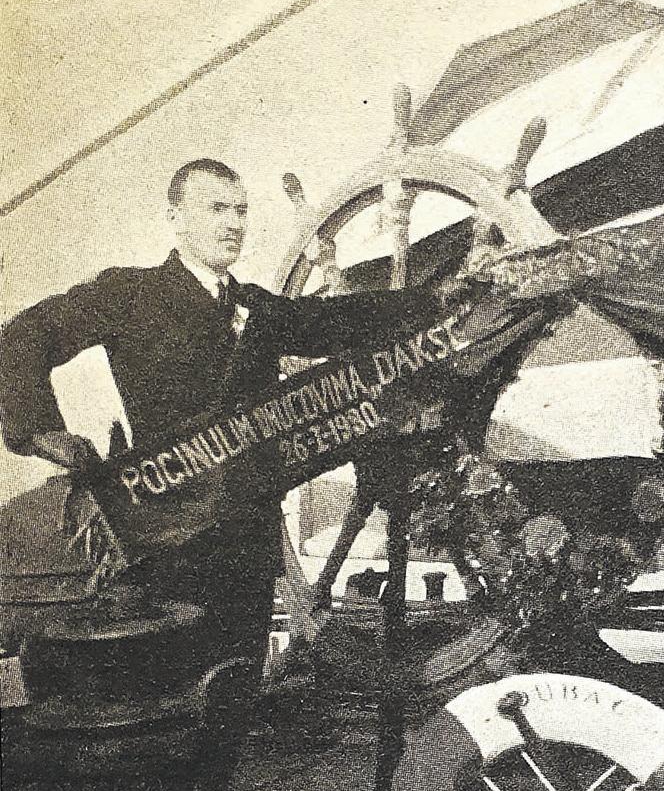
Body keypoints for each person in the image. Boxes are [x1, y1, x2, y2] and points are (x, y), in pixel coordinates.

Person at [0, 158, 435, 674]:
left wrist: (438, 300)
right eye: (217, 209)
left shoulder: (256, 308)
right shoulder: (128, 294)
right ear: (176, 217)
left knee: (237, 689)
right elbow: (22, 337)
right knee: (181, 689)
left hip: (250, 543)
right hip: (172, 542)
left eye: (241, 211)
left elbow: (337, 320)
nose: (233, 224)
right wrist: (40, 431)